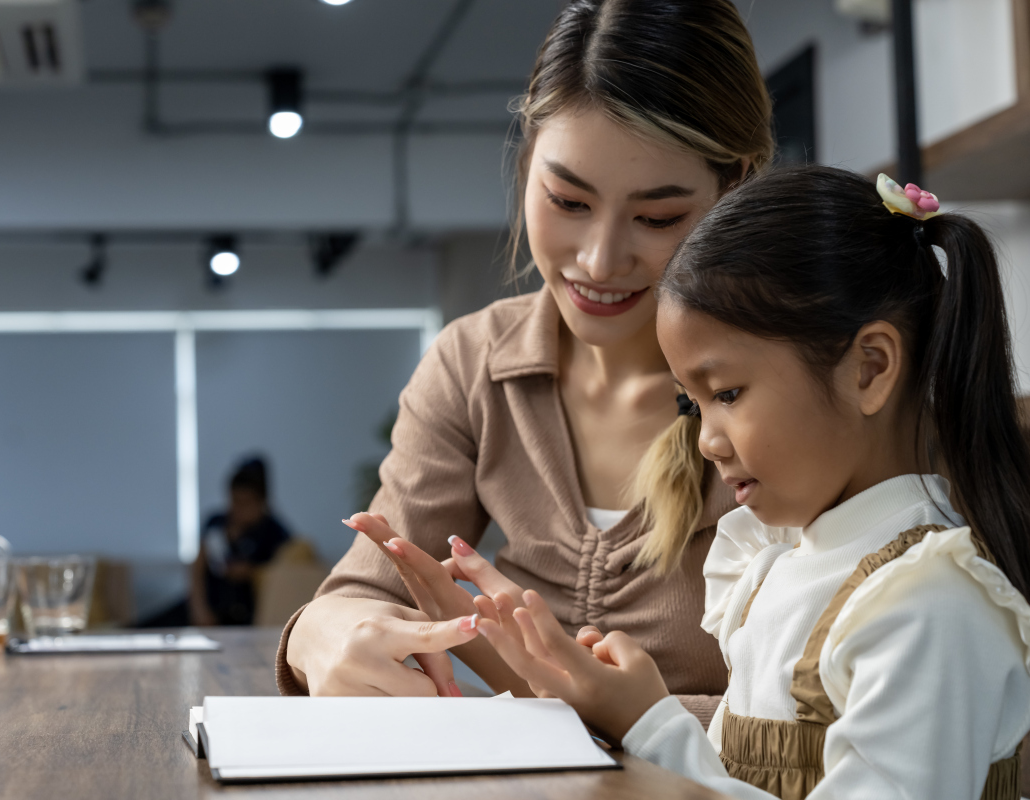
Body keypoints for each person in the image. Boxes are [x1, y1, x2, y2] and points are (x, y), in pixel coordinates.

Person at [471, 166, 1030, 798]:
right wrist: (641, 718)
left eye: (727, 392)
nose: (705, 441)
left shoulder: (929, 605)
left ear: (869, 369)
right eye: (693, 405)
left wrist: (648, 722)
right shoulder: (780, 564)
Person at [279, 0, 773, 718]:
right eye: (569, 201)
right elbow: (364, 589)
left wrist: (629, 720)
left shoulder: (801, 380)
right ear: (526, 167)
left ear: (736, 189)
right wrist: (322, 637)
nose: (600, 260)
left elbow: (849, 698)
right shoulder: (474, 363)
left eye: (658, 218)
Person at [143, 456, 290, 627]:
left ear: (261, 502)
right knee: (147, 627)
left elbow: (289, 572)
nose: (238, 509)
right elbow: (197, 567)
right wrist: (199, 609)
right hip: (207, 606)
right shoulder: (216, 523)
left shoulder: (274, 531)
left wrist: (252, 573)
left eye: (246, 503)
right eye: (235, 501)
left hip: (245, 618)